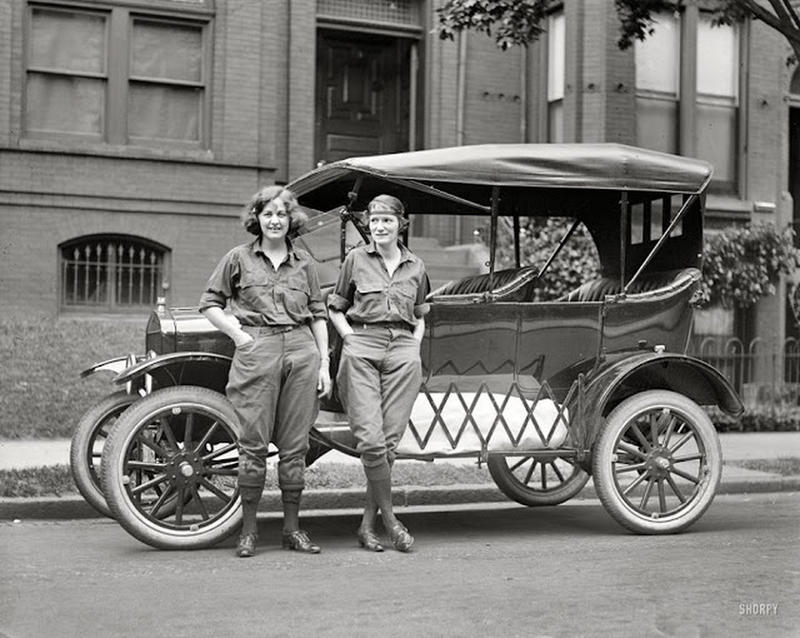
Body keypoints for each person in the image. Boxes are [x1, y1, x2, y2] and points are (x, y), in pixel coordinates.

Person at [199, 185, 331, 558]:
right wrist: (238, 335)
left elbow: (318, 315)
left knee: (295, 447)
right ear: (256, 218)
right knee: (252, 445)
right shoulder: (238, 258)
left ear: (292, 221)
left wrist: (324, 364)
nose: (275, 220)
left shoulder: (304, 263)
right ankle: (249, 531)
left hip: (302, 351)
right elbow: (210, 303)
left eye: (282, 214)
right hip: (257, 350)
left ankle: (292, 530)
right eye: (268, 213)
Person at [327, 194, 429, 553]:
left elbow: (419, 314)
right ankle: (391, 520)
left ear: (401, 224)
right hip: (362, 348)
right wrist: (350, 340)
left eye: (387, 220)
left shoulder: (416, 265)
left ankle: (366, 526)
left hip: (403, 352)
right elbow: (336, 307)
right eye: (374, 221)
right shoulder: (356, 259)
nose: (379, 227)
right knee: (370, 441)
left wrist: (414, 345)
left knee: (387, 445)